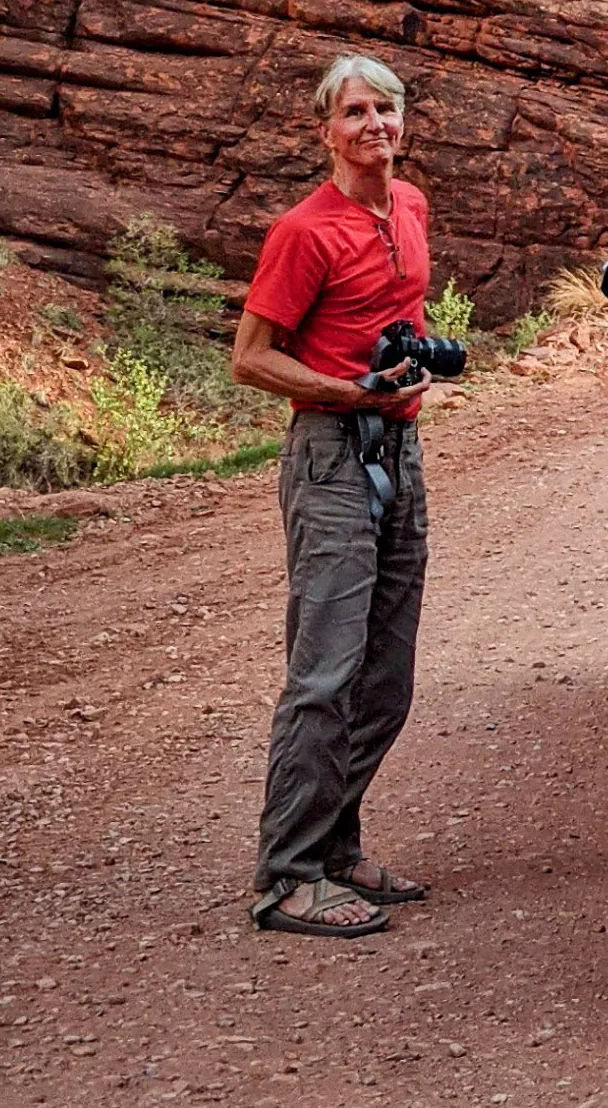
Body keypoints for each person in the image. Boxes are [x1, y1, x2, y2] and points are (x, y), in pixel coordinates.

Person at [232, 53, 437, 938]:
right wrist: (351, 391)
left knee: (385, 676)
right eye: (355, 112)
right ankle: (287, 876)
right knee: (324, 674)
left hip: (400, 451)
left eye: (384, 109)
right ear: (327, 130)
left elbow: (400, 314)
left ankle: (336, 847)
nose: (373, 125)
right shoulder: (304, 231)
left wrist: (409, 369)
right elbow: (250, 358)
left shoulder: (411, 205)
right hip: (331, 457)